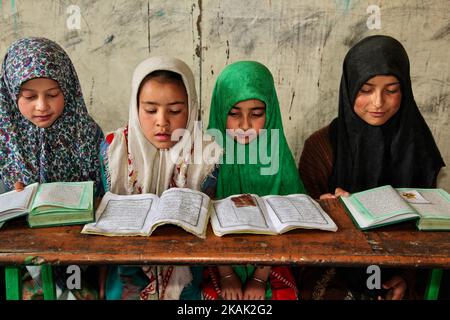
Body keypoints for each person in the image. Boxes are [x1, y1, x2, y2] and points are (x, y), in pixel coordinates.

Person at [298, 35, 445, 300]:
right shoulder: (320, 148)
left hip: (403, 262)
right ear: (349, 87)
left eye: (391, 90)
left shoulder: (418, 148)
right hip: (336, 264)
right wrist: (329, 211)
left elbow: (427, 228)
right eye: (365, 90)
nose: (378, 102)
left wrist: (405, 278)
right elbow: (303, 233)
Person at [100, 56, 220, 300]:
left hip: (188, 265)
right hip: (126, 266)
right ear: (135, 107)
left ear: (192, 107)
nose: (162, 122)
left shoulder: (208, 156)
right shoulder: (114, 151)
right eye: (151, 110)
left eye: (175, 110)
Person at [0, 37, 104, 299]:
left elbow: (104, 195)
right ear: (12, 94)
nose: (42, 106)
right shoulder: (4, 141)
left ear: (68, 89)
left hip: (78, 254)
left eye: (53, 94)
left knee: (83, 294)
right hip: (19, 260)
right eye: (29, 96)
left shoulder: (86, 134)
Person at [201, 61, 306, 300]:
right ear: (219, 111)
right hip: (216, 258)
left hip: (271, 260)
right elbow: (201, 223)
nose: (245, 125)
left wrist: (260, 276)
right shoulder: (206, 158)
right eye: (234, 113)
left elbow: (291, 220)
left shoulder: (278, 155)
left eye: (257, 114)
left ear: (270, 115)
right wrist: (226, 273)